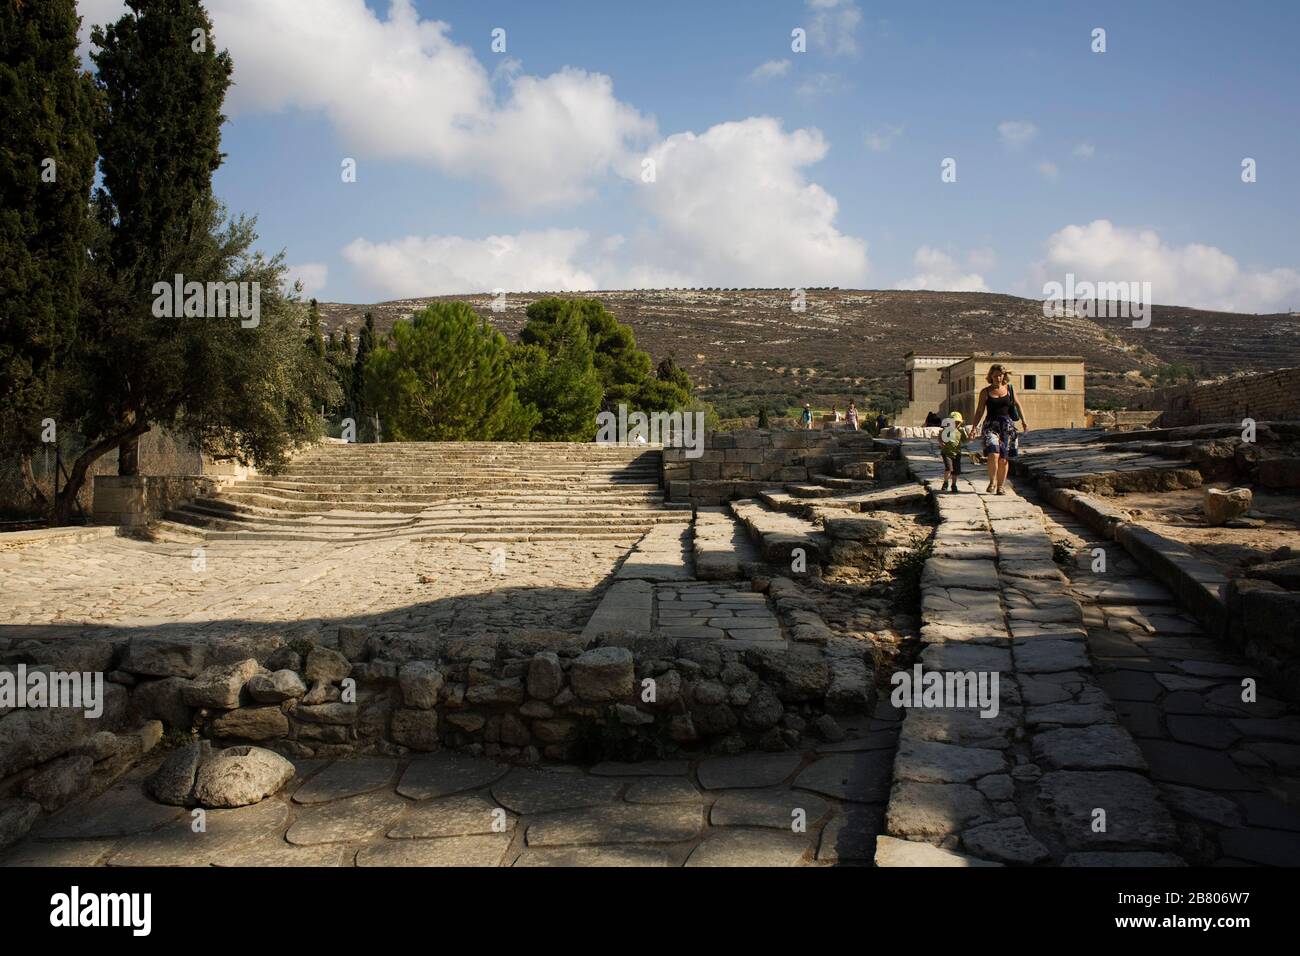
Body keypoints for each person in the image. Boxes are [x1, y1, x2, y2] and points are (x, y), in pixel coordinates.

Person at [970, 364, 1029, 495]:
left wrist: (1024, 421)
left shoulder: (1009, 389)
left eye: (1000, 375)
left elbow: (1018, 406)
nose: (998, 377)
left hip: (1007, 426)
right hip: (991, 425)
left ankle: (1001, 486)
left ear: (1004, 375)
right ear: (991, 376)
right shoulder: (985, 392)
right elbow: (979, 411)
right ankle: (992, 481)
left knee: (1003, 458)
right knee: (993, 452)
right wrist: (974, 427)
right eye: (995, 375)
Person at [940, 411, 967, 493]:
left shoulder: (961, 431)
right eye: (954, 422)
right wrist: (941, 442)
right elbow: (940, 437)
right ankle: (945, 482)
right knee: (948, 468)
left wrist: (971, 438)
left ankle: (954, 484)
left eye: (958, 422)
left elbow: (965, 440)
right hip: (947, 453)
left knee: (955, 471)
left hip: (957, 453)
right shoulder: (946, 430)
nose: (956, 424)